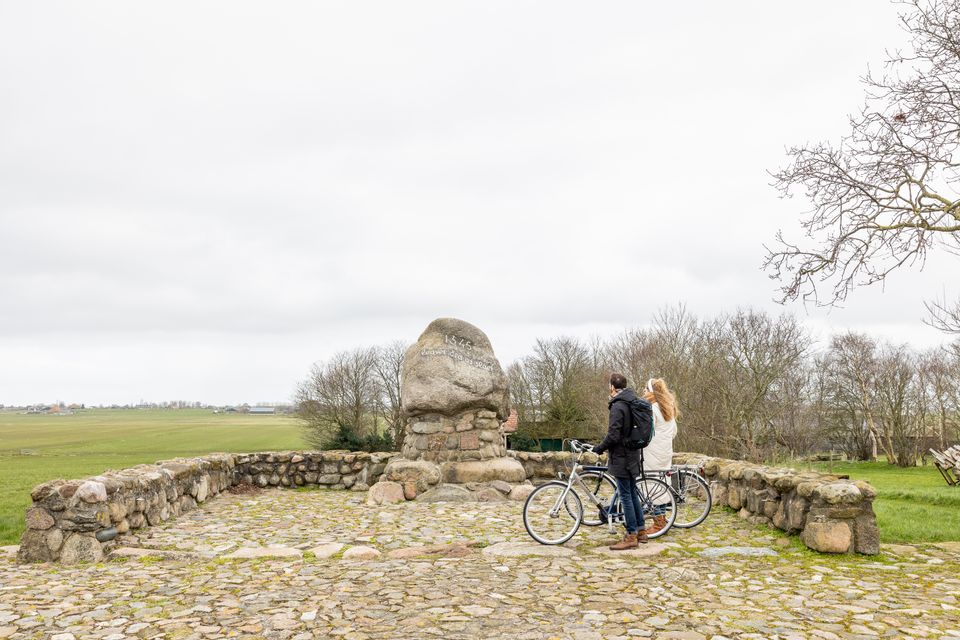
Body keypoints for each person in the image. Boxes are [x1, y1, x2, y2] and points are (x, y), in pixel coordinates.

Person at [593, 372, 647, 549]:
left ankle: (631, 536)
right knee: (631, 492)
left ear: (612, 387)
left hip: (622, 456)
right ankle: (641, 531)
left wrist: (600, 448)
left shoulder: (618, 406)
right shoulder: (632, 402)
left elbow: (614, 434)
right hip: (633, 454)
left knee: (626, 495)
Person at [641, 377, 680, 535]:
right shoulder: (668, 408)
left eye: (645, 389)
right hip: (664, 452)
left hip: (652, 452)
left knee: (652, 486)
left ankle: (659, 522)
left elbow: (646, 431)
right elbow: (674, 431)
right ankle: (661, 518)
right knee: (662, 484)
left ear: (652, 391)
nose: (643, 392)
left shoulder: (652, 408)